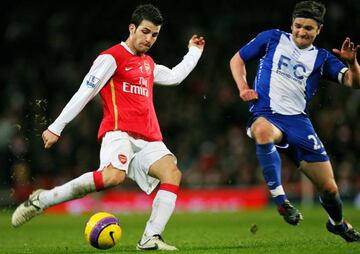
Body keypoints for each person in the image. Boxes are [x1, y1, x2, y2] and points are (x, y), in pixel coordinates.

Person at [11, 4, 205, 251]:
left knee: (172, 174)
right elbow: (86, 92)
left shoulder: (148, 64)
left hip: (148, 138)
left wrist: (194, 52)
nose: (149, 39)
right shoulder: (111, 57)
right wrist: (56, 127)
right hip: (119, 132)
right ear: (132, 28)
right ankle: (44, 199)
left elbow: (176, 76)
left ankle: (150, 237)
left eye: (154, 35)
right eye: (145, 32)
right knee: (113, 177)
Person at [230, 0, 360, 242]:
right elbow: (237, 59)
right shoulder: (272, 38)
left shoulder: (322, 58)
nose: (301, 32)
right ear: (291, 24)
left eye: (308, 28)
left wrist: (352, 63)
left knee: (330, 189)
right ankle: (281, 201)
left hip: (299, 123)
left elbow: (354, 83)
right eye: (298, 26)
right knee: (262, 131)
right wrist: (243, 88)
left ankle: (338, 223)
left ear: (319, 30)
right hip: (266, 113)